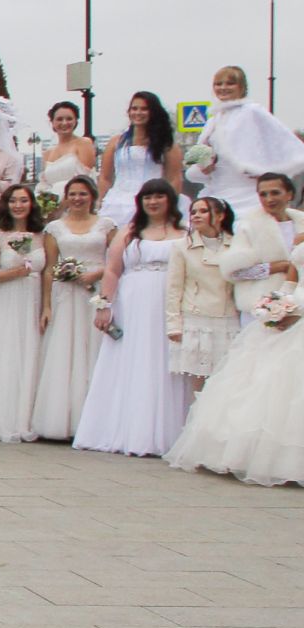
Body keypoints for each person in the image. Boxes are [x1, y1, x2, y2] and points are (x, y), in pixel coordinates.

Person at [164, 238, 304, 487]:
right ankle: (253, 455)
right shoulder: (301, 239)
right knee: (263, 382)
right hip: (293, 309)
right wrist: (279, 305)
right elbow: (292, 280)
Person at [75, 179, 193, 457]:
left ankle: (169, 431)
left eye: (159, 197)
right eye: (147, 197)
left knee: (166, 360)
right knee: (132, 359)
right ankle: (124, 428)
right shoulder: (129, 232)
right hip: (133, 299)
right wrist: (104, 305)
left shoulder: (185, 232)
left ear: (170, 201)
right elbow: (113, 270)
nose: (153, 202)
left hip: (170, 300)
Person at [31, 176, 115, 441]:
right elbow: (49, 269)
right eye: (73, 194)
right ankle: (63, 419)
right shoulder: (55, 228)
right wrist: (45, 305)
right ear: (66, 197)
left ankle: (98, 420)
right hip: (65, 295)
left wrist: (97, 273)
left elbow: (117, 260)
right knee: (65, 353)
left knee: (94, 351)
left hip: (96, 293)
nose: (78, 199)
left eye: (83, 194)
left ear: (92, 196)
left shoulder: (106, 225)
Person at [0, 184, 49, 443]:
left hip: (32, 299)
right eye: (13, 200)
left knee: (30, 354)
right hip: (5, 301)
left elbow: (47, 270)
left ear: (31, 204)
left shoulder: (42, 235)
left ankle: (26, 416)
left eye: (23, 200)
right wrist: (15, 273)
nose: (18, 205)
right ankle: (1, 418)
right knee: (6, 355)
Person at [185, 64, 304, 217]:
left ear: (241, 87)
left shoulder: (253, 112)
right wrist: (203, 166)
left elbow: (288, 146)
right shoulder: (211, 122)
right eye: (218, 84)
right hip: (218, 194)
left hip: (249, 195)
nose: (223, 88)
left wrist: (264, 171)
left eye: (230, 83)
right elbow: (193, 167)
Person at [167, 196, 240, 391]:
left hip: (228, 319)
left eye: (203, 211)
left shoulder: (237, 244)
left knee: (228, 381)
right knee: (199, 386)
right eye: (193, 212)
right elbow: (174, 288)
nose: (197, 215)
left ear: (220, 215)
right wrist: (174, 325)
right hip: (196, 321)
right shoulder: (182, 246)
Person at [219, 173, 304, 316]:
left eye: (275, 193)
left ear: (289, 194)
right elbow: (235, 272)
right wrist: (281, 266)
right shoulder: (249, 226)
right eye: (263, 194)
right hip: (265, 308)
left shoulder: (301, 222)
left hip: (299, 303)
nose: (269, 199)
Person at [98, 92, 183, 221]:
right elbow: (105, 177)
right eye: (134, 108)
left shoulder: (166, 144)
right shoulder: (116, 142)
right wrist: (100, 200)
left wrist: (170, 205)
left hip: (152, 199)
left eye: (144, 109)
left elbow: (174, 178)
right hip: (118, 201)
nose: (138, 113)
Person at [38, 101, 99, 203]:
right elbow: (45, 185)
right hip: (53, 205)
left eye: (69, 119)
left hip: (77, 201)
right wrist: (47, 207)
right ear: (52, 122)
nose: (64, 123)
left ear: (76, 121)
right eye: (59, 119)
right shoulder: (48, 153)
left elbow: (86, 178)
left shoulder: (84, 143)